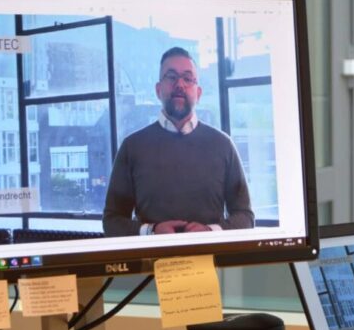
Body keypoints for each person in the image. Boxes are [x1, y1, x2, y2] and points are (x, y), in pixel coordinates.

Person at [103, 47, 254, 237]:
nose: (179, 84)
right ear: (158, 90)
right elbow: (112, 221)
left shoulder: (223, 145)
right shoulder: (132, 147)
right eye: (171, 76)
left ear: (198, 92)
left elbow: (245, 217)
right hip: (151, 263)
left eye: (187, 78)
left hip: (210, 262)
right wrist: (151, 231)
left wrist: (210, 231)